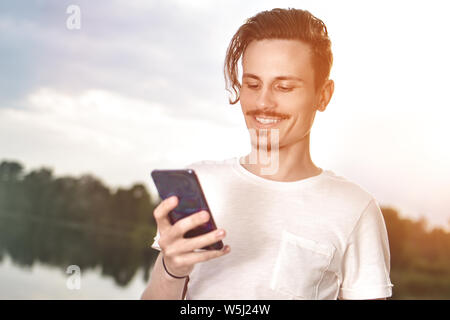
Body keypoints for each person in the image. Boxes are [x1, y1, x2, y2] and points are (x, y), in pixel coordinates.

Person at [141, 8, 393, 300]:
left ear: (323, 95)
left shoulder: (355, 208)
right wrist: (172, 268)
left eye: (284, 87)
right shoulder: (202, 184)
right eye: (252, 84)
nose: (262, 102)